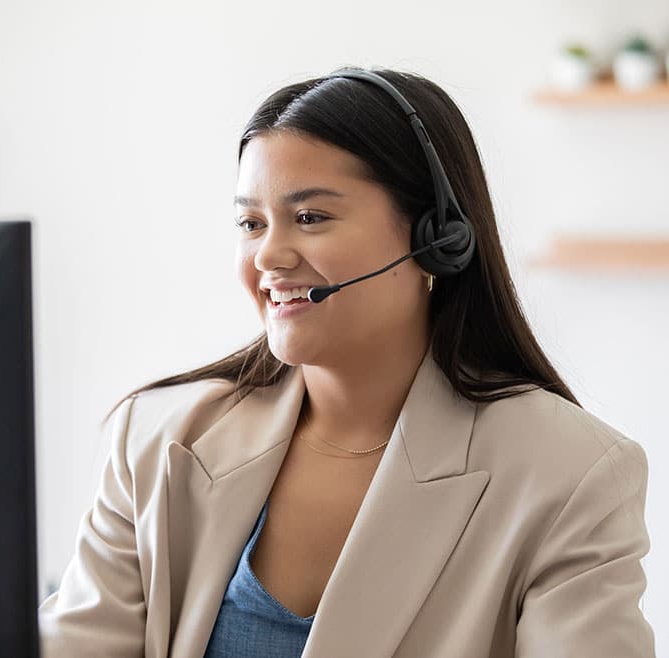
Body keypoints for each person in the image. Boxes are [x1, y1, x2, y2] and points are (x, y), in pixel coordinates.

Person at [38, 66, 655, 657]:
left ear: (435, 240)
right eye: (251, 223)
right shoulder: (155, 441)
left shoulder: (569, 473)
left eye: (310, 217)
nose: (269, 256)